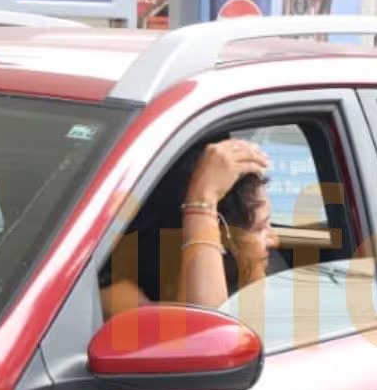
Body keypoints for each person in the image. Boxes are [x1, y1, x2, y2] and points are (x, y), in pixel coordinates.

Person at [100, 137, 278, 319]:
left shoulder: (234, 276)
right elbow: (204, 329)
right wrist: (202, 200)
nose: (274, 240)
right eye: (260, 228)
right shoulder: (116, 295)